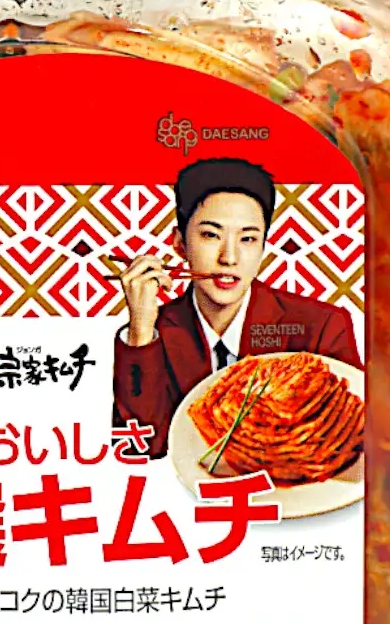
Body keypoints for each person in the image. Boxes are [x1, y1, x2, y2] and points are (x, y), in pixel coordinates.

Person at [111, 158, 362, 458]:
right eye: (211, 235)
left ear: (263, 246)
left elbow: (354, 439)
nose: (229, 258)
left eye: (248, 239)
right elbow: (139, 449)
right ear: (179, 243)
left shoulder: (321, 326)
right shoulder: (151, 335)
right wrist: (140, 330)